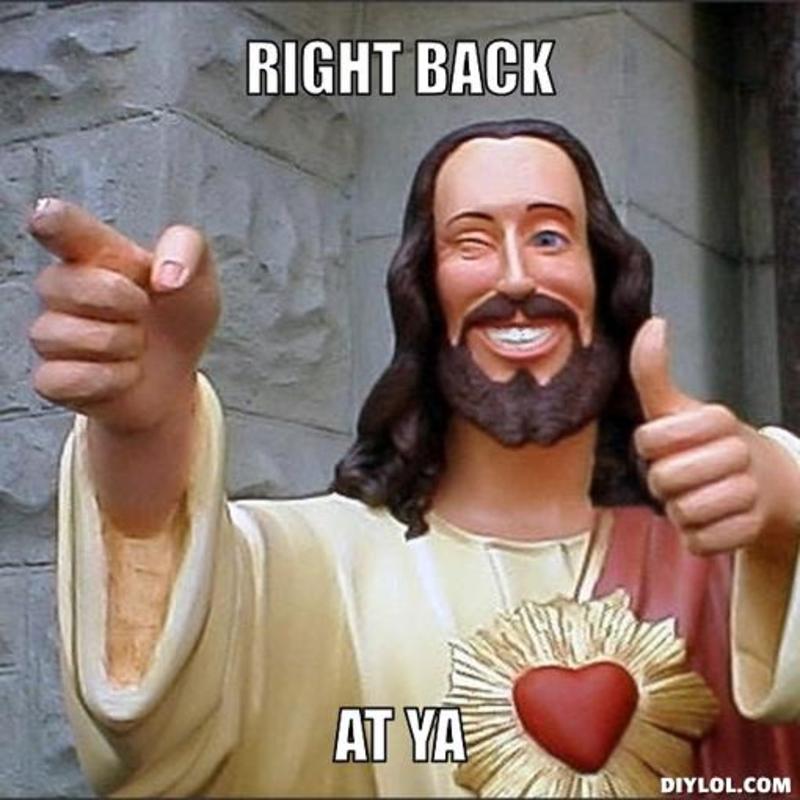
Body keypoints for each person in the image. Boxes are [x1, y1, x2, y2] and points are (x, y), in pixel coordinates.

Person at [28, 119, 800, 797]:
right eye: (471, 242)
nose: (516, 277)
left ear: (604, 278)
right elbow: (166, 716)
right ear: (423, 291)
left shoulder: (725, 569)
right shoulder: (324, 566)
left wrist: (787, 512)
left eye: (548, 237)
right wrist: (146, 431)